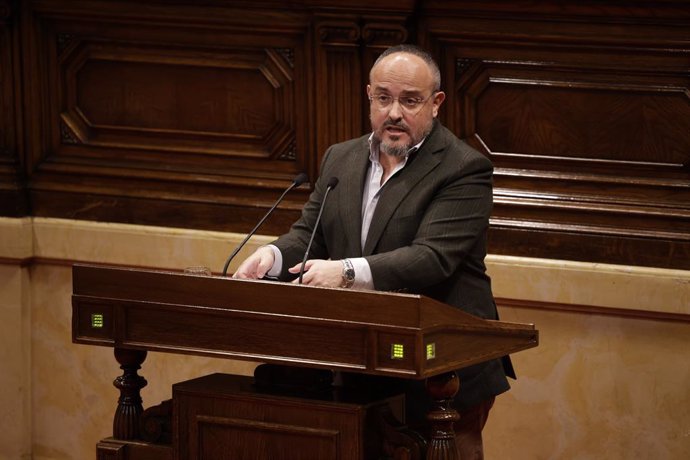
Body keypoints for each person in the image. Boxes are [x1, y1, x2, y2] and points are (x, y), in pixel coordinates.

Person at [233, 44, 515, 459]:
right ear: (369, 97)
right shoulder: (340, 159)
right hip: (364, 362)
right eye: (383, 98)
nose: (394, 113)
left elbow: (433, 257)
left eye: (410, 100)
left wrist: (346, 272)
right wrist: (271, 257)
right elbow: (309, 234)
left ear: (436, 104)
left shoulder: (463, 168)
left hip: (442, 370)